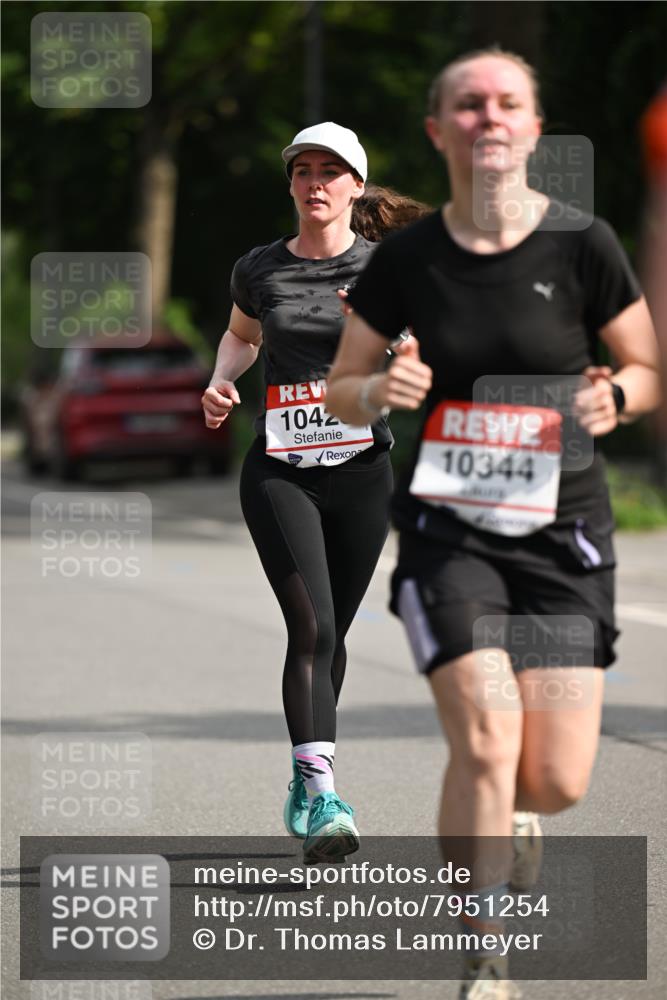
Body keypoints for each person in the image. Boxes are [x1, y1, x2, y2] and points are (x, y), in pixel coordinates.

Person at [326, 48, 660, 997]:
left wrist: (619, 398)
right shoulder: (405, 259)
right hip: (449, 535)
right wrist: (376, 387)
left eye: (506, 102)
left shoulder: (582, 244)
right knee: (484, 737)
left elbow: (642, 363)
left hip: (562, 533)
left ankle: (515, 816)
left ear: (532, 127)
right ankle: (484, 954)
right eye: (466, 105)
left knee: (550, 779)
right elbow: (344, 390)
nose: (488, 117)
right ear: (439, 131)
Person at [201, 122, 429, 865]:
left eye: (331, 171)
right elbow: (242, 334)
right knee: (310, 624)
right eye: (303, 170)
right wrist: (220, 380)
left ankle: (307, 781)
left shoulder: (388, 269)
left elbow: (422, 346)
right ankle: (323, 791)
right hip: (281, 473)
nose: (315, 183)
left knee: (332, 634)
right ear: (291, 184)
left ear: (355, 186)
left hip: (362, 472)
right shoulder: (258, 268)